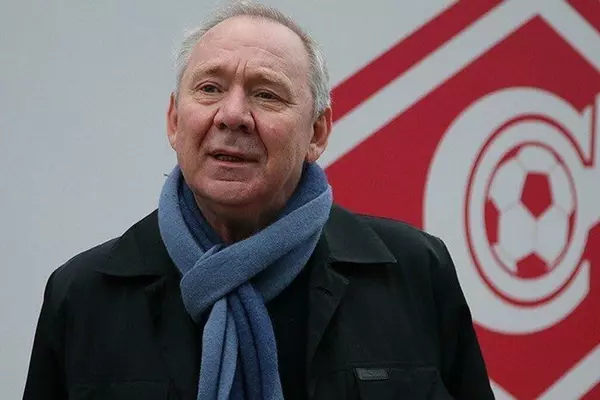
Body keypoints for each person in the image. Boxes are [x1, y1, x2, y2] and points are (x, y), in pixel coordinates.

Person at [23, 2, 495, 399]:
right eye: (209, 88)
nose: (232, 115)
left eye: (266, 95)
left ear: (317, 132)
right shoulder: (84, 295)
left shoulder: (413, 271)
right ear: (174, 120)